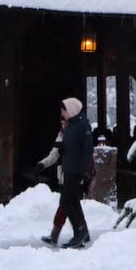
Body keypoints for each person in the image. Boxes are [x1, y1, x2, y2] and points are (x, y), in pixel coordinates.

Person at [58, 97, 94, 249]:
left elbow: (87, 149)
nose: (61, 113)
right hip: (69, 167)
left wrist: (83, 170)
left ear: (71, 110)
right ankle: (82, 231)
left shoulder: (82, 125)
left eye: (63, 109)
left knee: (66, 201)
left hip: (76, 169)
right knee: (72, 201)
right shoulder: (71, 125)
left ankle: (79, 232)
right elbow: (71, 144)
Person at [37, 115, 67, 245]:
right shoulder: (61, 134)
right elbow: (54, 154)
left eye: (64, 121)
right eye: (61, 122)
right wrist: (42, 164)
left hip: (73, 173)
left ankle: (55, 234)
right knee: (72, 206)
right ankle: (82, 233)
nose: (63, 124)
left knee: (66, 204)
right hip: (63, 173)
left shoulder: (75, 133)